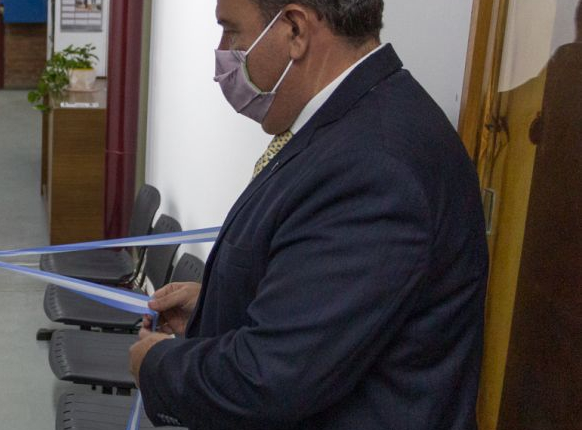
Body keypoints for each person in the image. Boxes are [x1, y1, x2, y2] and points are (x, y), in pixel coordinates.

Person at [128, 1, 488, 429]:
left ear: (295, 30)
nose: (222, 53)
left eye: (232, 31)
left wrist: (156, 364)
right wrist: (216, 305)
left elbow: (274, 377)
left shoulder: (375, 166)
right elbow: (324, 306)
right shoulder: (354, 125)